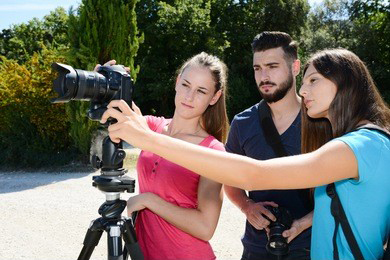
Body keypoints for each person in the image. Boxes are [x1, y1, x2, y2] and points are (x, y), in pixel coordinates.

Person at [101, 48, 390, 259]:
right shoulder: (364, 144)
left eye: (313, 80)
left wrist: (149, 142)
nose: (303, 88)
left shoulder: (359, 147)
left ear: (345, 83)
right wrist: (112, 85)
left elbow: (256, 173)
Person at [101, 52, 229, 260]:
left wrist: (149, 200)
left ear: (214, 97)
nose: (189, 96)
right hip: (144, 253)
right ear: (177, 82)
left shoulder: (212, 150)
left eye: (201, 91)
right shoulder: (152, 127)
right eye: (186, 85)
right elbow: (118, 111)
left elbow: (205, 227)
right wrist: (105, 85)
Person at [224, 31, 312, 260]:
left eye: (272, 66)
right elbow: (229, 180)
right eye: (257, 68)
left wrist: (303, 223)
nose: (263, 76)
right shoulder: (242, 123)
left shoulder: (321, 120)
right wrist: (246, 206)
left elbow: (341, 191)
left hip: (312, 246)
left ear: (295, 67)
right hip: (256, 247)